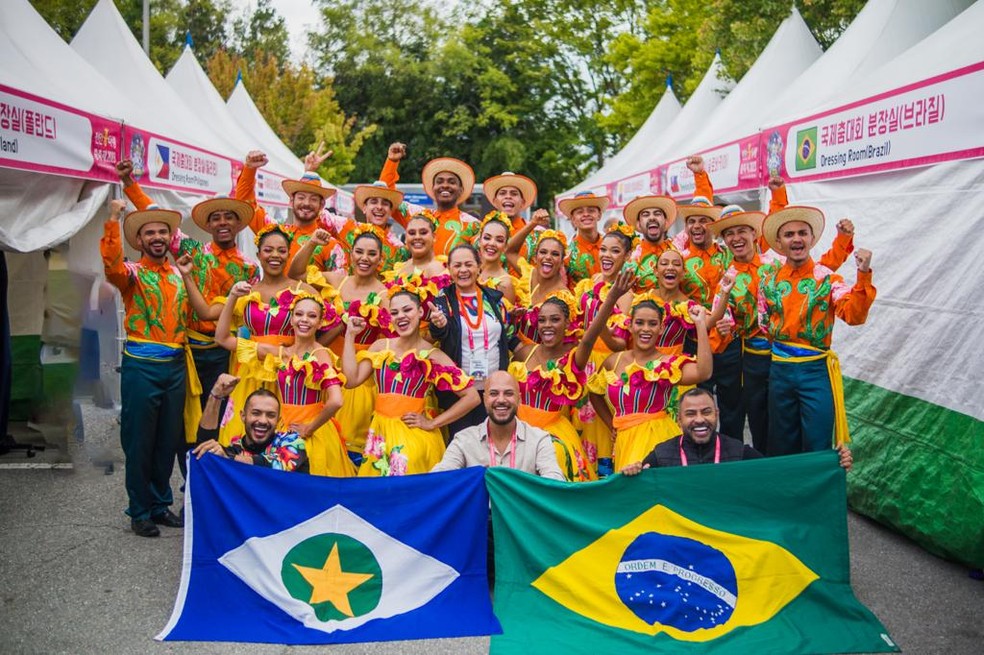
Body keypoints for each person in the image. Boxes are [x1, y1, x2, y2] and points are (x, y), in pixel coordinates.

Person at [116, 160, 259, 454]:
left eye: (228, 217)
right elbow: (156, 217)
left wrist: (249, 171)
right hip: (188, 351)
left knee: (220, 415)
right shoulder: (194, 251)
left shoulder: (249, 269)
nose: (222, 222)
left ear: (238, 224)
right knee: (185, 421)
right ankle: (189, 482)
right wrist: (130, 183)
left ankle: (214, 476)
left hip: (223, 352)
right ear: (208, 225)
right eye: (216, 218)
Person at [181, 224, 324, 445]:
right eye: (268, 250)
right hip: (251, 372)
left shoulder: (304, 291)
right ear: (258, 254)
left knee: (288, 438)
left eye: (281, 250)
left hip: (290, 373)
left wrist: (307, 355)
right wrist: (187, 277)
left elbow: (329, 324)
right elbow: (206, 313)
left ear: (288, 254)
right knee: (245, 433)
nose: (274, 255)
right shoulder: (247, 293)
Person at [100, 199, 188, 537]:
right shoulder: (131, 273)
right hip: (141, 366)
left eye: (162, 231)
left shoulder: (180, 274)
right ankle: (139, 511)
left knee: (167, 441)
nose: (156, 237)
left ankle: (159, 504)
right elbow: (110, 265)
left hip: (176, 366)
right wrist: (112, 218)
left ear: (169, 237)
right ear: (139, 241)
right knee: (139, 441)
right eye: (149, 232)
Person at [758, 206, 876, 455]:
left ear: (812, 239)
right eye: (789, 234)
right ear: (779, 242)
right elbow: (764, 323)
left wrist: (863, 275)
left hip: (815, 372)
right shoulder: (768, 281)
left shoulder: (828, 279)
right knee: (781, 441)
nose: (797, 238)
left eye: (802, 232)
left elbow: (854, 315)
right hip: (779, 370)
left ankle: (816, 493)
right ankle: (788, 492)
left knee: (818, 440)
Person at [211, 283, 353, 476]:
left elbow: (336, 400)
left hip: (312, 434)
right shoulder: (281, 353)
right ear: (291, 319)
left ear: (320, 323)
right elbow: (222, 339)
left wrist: (309, 428)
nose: (304, 320)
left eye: (312, 316)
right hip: (283, 427)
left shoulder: (320, 354)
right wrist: (233, 296)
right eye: (299, 314)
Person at [510, 269, 637, 481]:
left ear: (567, 324)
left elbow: (589, 338)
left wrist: (613, 296)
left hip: (554, 436)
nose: (547, 325)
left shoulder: (571, 359)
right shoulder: (525, 353)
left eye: (555, 320)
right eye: (542, 320)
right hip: (519, 432)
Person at [342, 288, 481, 476]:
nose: (401, 316)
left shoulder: (433, 355)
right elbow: (351, 380)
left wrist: (433, 424)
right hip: (379, 436)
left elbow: (472, 397)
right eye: (394, 312)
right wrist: (350, 335)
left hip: (413, 439)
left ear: (420, 312)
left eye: (407, 310)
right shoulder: (380, 347)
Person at [588, 292, 713, 472]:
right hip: (624, 440)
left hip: (657, 440)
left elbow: (704, 372)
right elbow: (595, 392)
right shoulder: (613, 361)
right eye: (639, 323)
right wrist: (611, 425)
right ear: (629, 325)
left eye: (652, 324)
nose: (645, 329)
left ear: (661, 328)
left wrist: (700, 325)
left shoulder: (667, 363)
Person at [619, 387, 853, 471]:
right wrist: (633, 472)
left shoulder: (739, 452)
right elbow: (633, 495)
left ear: (717, 415)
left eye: (706, 412)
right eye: (691, 414)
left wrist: (831, 463)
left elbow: (782, 474)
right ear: (678, 420)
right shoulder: (661, 454)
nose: (700, 420)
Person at [429, 244, 516, 438]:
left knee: (494, 444)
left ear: (479, 266)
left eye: (468, 264)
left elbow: (508, 336)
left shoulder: (494, 299)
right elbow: (438, 332)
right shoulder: (443, 299)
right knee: (462, 445)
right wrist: (439, 325)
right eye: (457, 265)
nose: (463, 270)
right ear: (449, 269)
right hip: (460, 393)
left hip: (493, 390)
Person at [432, 370, 565, 479]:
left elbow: (554, 480)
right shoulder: (464, 440)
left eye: (508, 393)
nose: (501, 400)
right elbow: (440, 477)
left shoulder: (539, 440)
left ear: (519, 399)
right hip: (481, 512)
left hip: (519, 511)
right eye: (494, 393)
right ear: (484, 399)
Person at [236, 148, 348, 271]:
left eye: (313, 199)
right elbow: (245, 205)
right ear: (291, 201)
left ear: (322, 205)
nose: (306, 203)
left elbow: (340, 285)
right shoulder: (276, 233)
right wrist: (249, 169)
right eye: (301, 197)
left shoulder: (330, 245)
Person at [379, 142, 479, 256]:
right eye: (439, 181)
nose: (445, 185)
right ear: (433, 188)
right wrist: (392, 162)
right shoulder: (417, 216)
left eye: (452, 182)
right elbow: (387, 196)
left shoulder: (472, 225)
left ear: (461, 190)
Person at [193, 374, 308, 472]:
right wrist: (216, 396)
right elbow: (204, 447)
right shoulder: (235, 449)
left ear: (278, 421)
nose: (263, 421)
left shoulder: (292, 441)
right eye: (256, 413)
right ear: (243, 416)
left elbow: (271, 465)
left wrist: (229, 458)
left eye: (270, 415)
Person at [513, 229, 571, 344]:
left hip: (538, 358)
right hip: (514, 352)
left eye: (555, 254)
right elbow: (509, 251)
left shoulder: (564, 298)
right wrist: (532, 223)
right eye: (543, 252)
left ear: (561, 262)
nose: (548, 257)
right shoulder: (530, 274)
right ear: (535, 257)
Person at [623, 194, 679, 290]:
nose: (652, 218)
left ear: (666, 221)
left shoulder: (679, 253)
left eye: (657, 213)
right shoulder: (630, 260)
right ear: (638, 224)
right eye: (645, 214)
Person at [482, 171, 541, 259]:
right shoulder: (481, 232)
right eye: (502, 193)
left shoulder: (537, 234)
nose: (508, 197)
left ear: (522, 202)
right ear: (494, 202)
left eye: (514, 194)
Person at [557, 191, 609, 284]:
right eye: (580, 212)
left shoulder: (612, 246)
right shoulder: (565, 253)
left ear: (599, 215)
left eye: (591, 210)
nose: (586, 214)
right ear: (573, 219)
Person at [474, 211, 519, 304]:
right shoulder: (469, 271)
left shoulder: (505, 284)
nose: (492, 244)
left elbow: (505, 318)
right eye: (487, 238)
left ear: (505, 246)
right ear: (479, 241)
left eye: (499, 240)